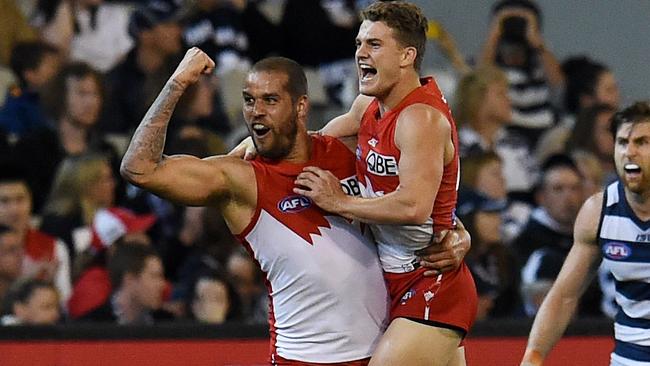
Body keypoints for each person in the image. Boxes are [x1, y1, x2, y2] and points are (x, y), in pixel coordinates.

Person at [121, 48, 469, 364]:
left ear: (301, 106)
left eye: (270, 100)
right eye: (248, 100)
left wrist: (454, 232)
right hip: (304, 357)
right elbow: (140, 169)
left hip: (382, 346)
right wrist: (177, 83)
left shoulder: (347, 149)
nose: (256, 113)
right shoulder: (240, 179)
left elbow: (418, 194)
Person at [288, 2, 476, 365]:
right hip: (393, 279)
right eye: (359, 43)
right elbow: (316, 145)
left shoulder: (419, 118)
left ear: (407, 55)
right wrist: (259, 144)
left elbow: (413, 206)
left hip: (430, 281)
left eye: (374, 45)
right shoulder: (369, 106)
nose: (360, 53)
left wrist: (338, 202)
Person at [520, 101, 650, 366]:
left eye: (642, 142)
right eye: (623, 142)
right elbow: (564, 296)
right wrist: (532, 358)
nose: (630, 152)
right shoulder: (598, 212)